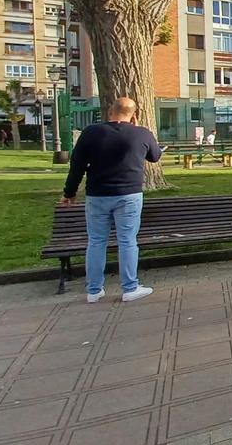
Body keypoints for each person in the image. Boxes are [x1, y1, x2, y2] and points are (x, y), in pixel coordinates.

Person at [61, 97, 162, 303]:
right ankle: (130, 287)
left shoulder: (91, 133)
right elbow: (155, 156)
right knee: (127, 240)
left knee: (96, 241)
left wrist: (69, 193)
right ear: (134, 115)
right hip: (129, 194)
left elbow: (77, 166)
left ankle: (94, 290)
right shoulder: (141, 133)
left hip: (97, 194)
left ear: (110, 111)